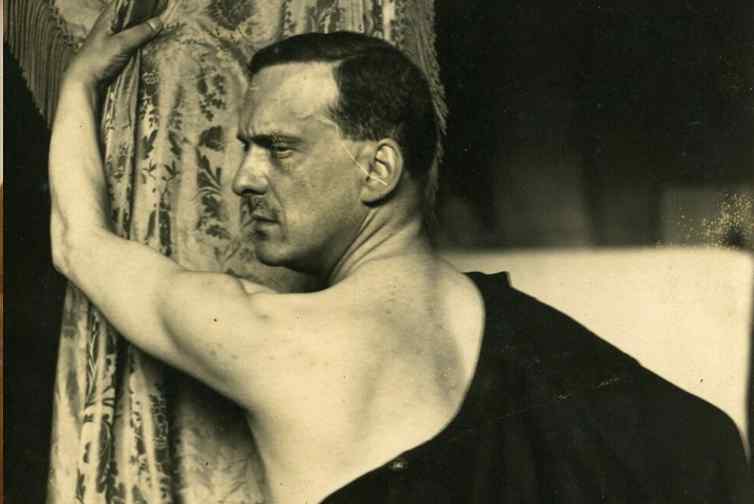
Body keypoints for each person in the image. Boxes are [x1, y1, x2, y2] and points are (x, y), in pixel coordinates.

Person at [49, 6, 751, 503]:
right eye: (244, 147)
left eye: (279, 149)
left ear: (379, 169)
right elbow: (706, 447)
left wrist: (79, 83)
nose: (242, 178)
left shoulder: (270, 341)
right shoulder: (531, 334)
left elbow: (78, 243)